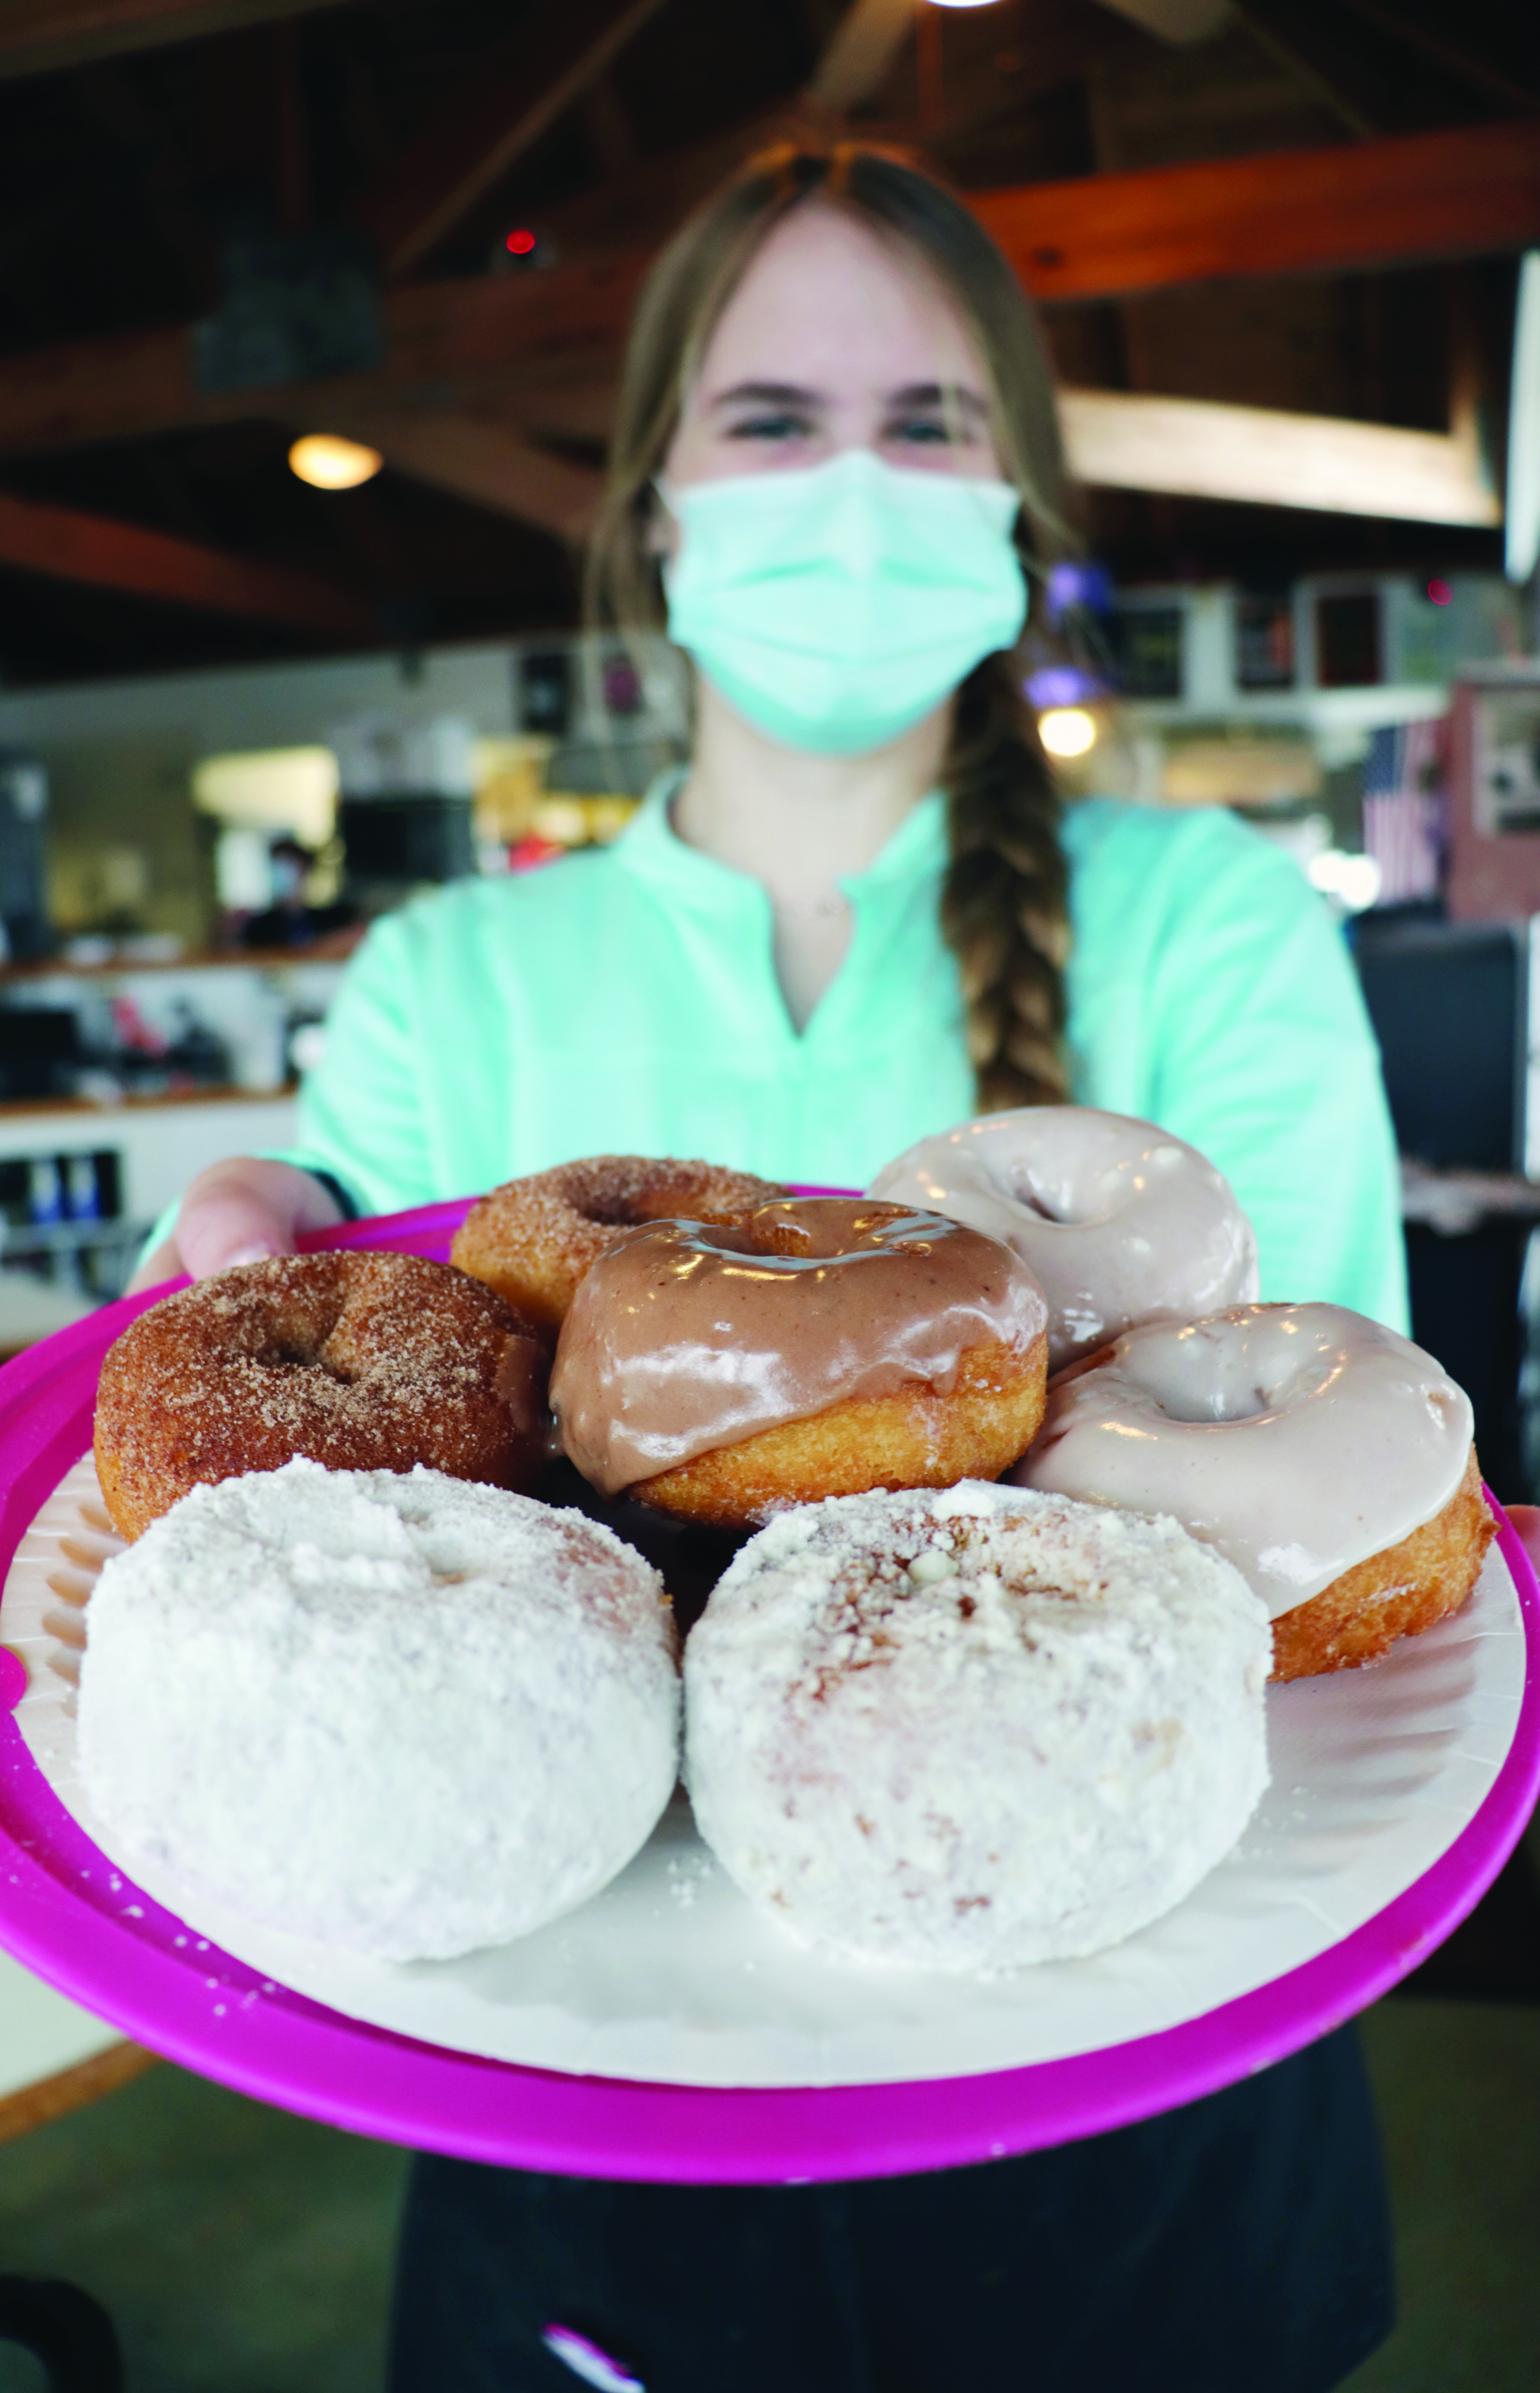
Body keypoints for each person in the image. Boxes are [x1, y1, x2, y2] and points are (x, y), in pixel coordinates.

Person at [138, 145, 1400, 2392]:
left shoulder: (1210, 920)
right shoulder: (455, 975)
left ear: (1016, 504)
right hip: (589, 2034)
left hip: (1148, 1997)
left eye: (927, 427)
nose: (854, 486)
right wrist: (251, 1257)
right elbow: (368, 1402)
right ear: (656, 511)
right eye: (773, 422)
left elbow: (1332, 1521)